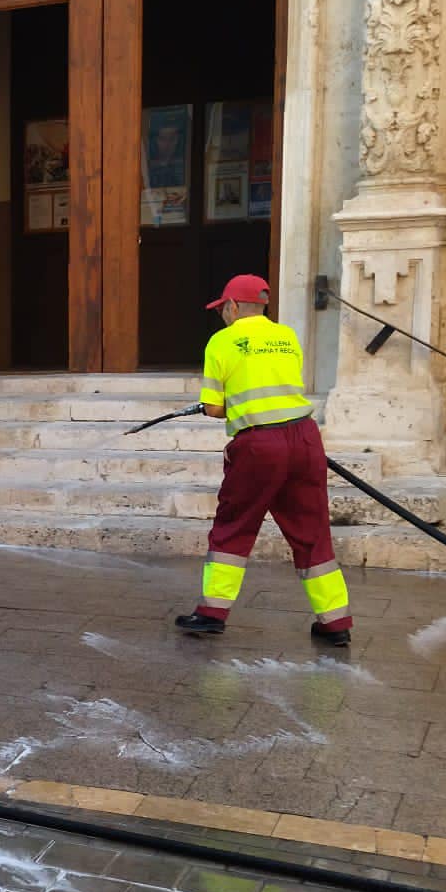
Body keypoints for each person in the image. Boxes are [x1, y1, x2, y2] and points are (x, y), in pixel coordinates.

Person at [175, 275, 354, 646]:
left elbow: (213, 407)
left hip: (259, 445)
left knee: (234, 525)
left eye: (223, 308)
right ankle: (335, 622)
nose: (223, 315)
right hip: (304, 438)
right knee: (312, 530)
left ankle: (211, 614)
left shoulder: (221, 341)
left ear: (234, 307)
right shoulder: (287, 336)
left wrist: (224, 410)